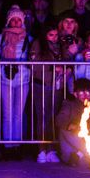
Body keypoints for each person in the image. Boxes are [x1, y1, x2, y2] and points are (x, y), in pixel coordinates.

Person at [0, 5, 32, 153]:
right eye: (13, 20)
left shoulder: (28, 38)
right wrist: (1, 71)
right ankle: (8, 146)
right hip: (5, 78)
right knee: (7, 113)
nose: (16, 22)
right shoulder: (1, 37)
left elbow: (31, 57)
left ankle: (17, 146)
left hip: (23, 78)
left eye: (18, 20)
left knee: (18, 114)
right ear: (8, 21)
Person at [29, 23, 64, 163]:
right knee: (42, 118)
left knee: (53, 117)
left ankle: (51, 150)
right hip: (42, 84)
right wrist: (52, 67)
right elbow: (34, 64)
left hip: (57, 85)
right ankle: (41, 150)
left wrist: (65, 69)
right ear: (44, 35)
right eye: (51, 35)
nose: (54, 38)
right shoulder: (37, 44)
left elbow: (67, 60)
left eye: (56, 35)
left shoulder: (60, 45)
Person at [56, 78, 90, 167]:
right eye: (81, 92)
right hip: (73, 144)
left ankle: (80, 154)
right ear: (75, 94)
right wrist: (71, 125)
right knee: (65, 131)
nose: (85, 95)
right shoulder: (69, 104)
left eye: (88, 92)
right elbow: (60, 120)